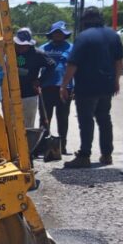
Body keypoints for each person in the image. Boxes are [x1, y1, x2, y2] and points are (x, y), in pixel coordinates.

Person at [61, 7, 123, 168]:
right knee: (104, 119)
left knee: (86, 120)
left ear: (84, 21)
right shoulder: (113, 35)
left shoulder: (83, 37)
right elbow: (119, 61)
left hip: (87, 87)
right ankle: (106, 154)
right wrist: (116, 80)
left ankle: (84, 155)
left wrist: (64, 85)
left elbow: (72, 63)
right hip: (107, 86)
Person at [38, 21, 74, 154]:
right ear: (51, 35)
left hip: (65, 88)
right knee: (45, 118)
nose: (58, 35)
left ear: (65, 34)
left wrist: (74, 86)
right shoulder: (43, 48)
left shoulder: (71, 48)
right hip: (47, 87)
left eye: (60, 33)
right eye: (55, 33)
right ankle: (43, 145)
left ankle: (62, 145)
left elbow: (75, 67)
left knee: (63, 118)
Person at [14, 27, 55, 128]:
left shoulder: (37, 54)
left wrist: (40, 81)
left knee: (28, 125)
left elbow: (51, 65)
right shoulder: (11, 52)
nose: (20, 48)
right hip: (12, 95)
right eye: (18, 45)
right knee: (13, 125)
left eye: (24, 45)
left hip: (29, 95)